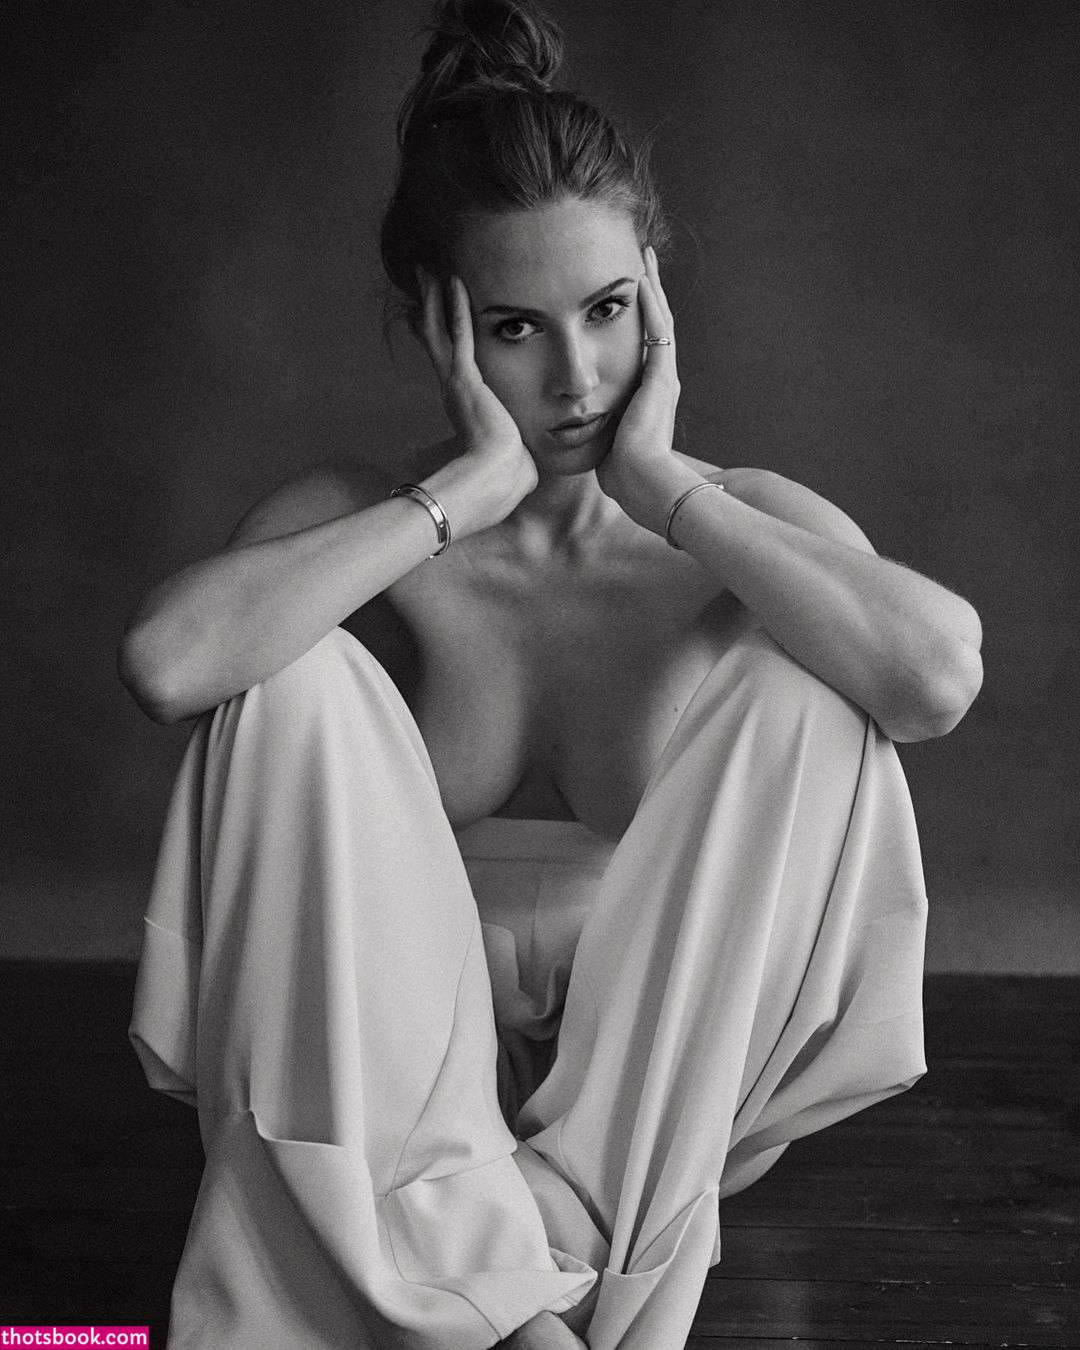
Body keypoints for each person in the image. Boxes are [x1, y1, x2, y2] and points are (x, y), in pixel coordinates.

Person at [120, 2, 983, 1346]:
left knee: (817, 684)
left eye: (609, 310)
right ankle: (514, 1285)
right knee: (287, 674)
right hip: (393, 1095)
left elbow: (932, 679)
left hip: (654, 1091)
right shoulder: (365, 522)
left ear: (657, 296)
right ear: (436, 323)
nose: (578, 377)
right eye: (517, 328)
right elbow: (171, 664)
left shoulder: (734, 522)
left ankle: (499, 1269)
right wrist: (454, 499)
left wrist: (670, 492)